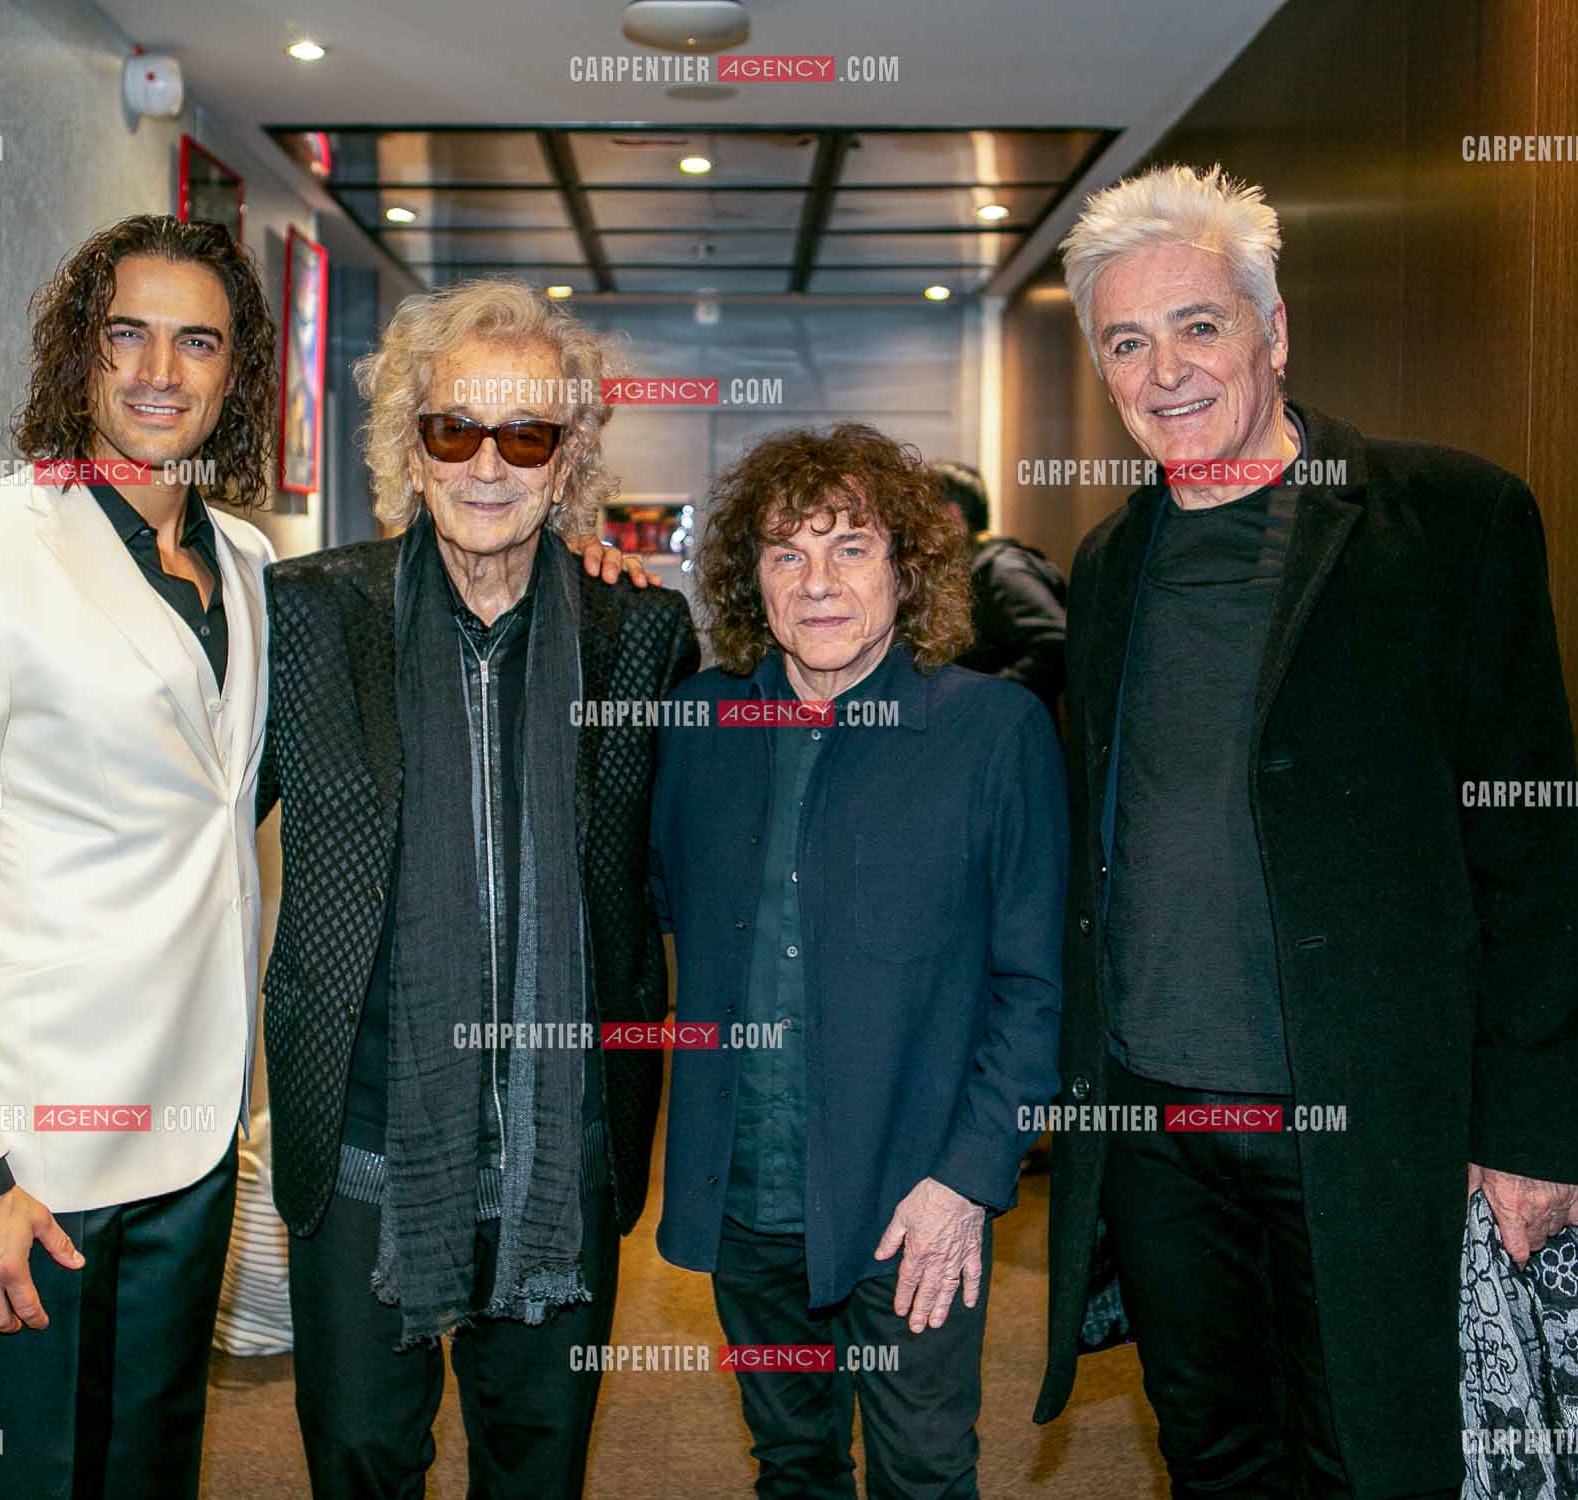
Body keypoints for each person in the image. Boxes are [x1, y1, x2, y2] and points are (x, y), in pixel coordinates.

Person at [1033, 163, 1578, 1500]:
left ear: (1273, 332)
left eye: (1198, 326)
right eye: (1126, 341)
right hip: (1160, 1129)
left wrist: (1533, 1128)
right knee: (1212, 1455)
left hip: (1360, 1123)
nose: (1165, 371)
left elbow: (1529, 848)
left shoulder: (1449, 522)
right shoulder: (1108, 564)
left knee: (1372, 1462)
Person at [0, 214, 282, 1500]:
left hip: (194, 1129)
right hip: (31, 1156)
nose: (159, 371)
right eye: (125, 334)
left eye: (197, 342)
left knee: (151, 1471)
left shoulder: (251, 564)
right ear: (77, 354)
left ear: (236, 372)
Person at [259, 277, 696, 1499]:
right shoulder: (308, 617)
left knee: (540, 1464)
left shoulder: (639, 636)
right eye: (455, 430)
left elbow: (693, 859)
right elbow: (180, 830)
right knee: (359, 1454)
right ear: (411, 448)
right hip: (364, 1136)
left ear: (570, 461)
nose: (489, 465)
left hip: (564, 1141)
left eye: (527, 436)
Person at [650, 423, 1064, 1498]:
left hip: (914, 1192)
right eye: (787, 553)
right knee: (792, 1466)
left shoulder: (993, 731)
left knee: (924, 1472)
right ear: (751, 579)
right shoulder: (696, 725)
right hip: (747, 1192)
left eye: (851, 547)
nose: (818, 582)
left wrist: (969, 1178)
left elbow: (1037, 989)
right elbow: (653, 910)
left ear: (906, 567)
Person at [933, 459, 1068, 710]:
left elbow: (1055, 645)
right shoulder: (971, 571)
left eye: (920, 515)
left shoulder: (1003, 571)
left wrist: (981, 700)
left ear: (952, 516)